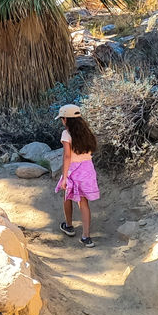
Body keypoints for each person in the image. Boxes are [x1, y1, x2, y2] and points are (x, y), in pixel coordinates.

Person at [55, 104, 100, 247]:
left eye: (62, 119)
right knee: (83, 201)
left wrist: (64, 175)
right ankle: (86, 236)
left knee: (67, 195)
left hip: (73, 170)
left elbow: (67, 156)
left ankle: (68, 225)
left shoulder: (66, 134)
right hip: (87, 169)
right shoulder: (86, 132)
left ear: (66, 119)